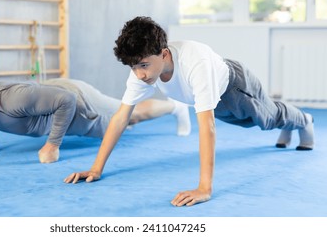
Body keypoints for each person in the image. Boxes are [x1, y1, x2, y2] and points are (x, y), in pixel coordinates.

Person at [64, 16, 314, 207]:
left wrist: (204, 188)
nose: (139, 74)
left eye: (143, 65)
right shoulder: (142, 72)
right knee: (253, 123)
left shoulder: (195, 63)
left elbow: (207, 126)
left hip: (235, 87)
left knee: (267, 119)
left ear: (163, 54)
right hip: (217, 97)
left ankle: (304, 121)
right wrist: (96, 168)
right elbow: (121, 118)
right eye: (133, 66)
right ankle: (288, 125)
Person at [0, 75, 191, 163]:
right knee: (128, 117)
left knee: (131, 116)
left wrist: (52, 144)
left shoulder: (15, 99)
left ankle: (174, 107)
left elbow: (66, 100)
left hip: (76, 98)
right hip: (50, 96)